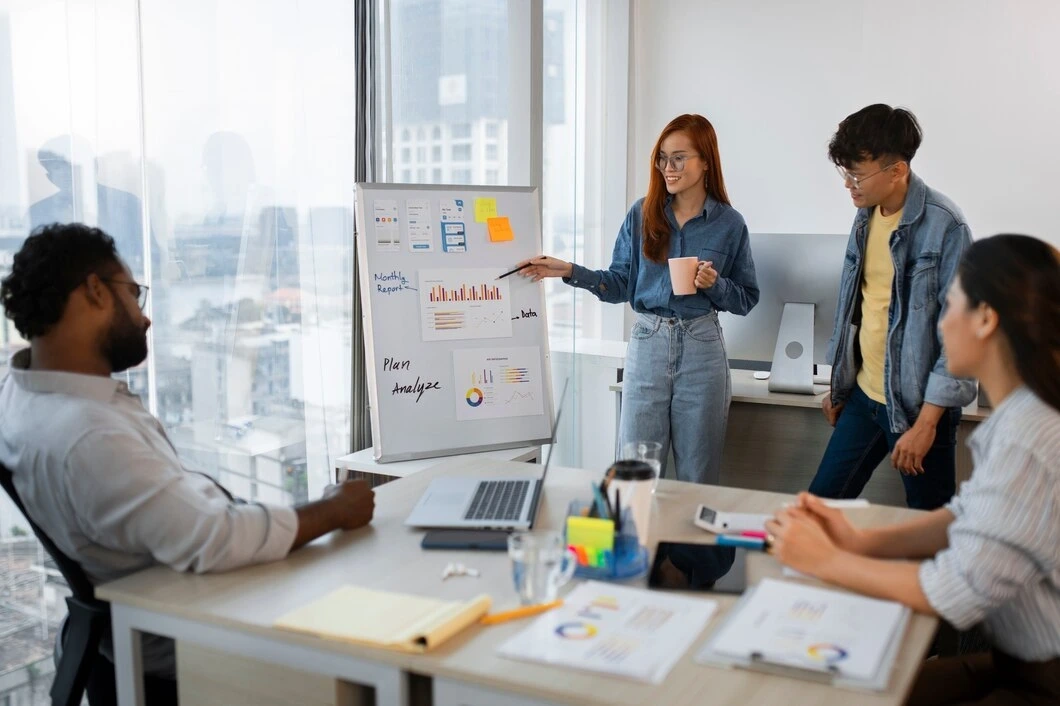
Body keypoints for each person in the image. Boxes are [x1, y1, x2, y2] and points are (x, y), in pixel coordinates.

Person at [0, 223, 376, 704]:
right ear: (94, 291)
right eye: (134, 294)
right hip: (192, 641)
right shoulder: (88, 435)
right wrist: (334, 509)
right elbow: (214, 539)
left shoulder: (23, 389)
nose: (145, 316)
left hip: (157, 617)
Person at [768, 234, 1060, 705]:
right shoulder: (1022, 416)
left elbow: (951, 590)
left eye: (951, 306)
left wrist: (824, 560)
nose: (942, 325)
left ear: (986, 318)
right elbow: (966, 516)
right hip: (1019, 663)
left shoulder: (1030, 437)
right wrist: (860, 541)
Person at [518, 114, 758, 485]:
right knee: (635, 473)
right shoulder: (642, 213)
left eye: (679, 157)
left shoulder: (730, 223)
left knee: (698, 475)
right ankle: (638, 545)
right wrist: (569, 270)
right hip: (648, 343)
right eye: (663, 158)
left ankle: (688, 546)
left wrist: (714, 284)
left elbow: (746, 299)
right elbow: (619, 285)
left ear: (706, 160)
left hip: (702, 347)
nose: (668, 167)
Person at [809, 104, 976, 510]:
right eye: (844, 173)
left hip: (920, 410)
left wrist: (927, 424)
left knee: (928, 529)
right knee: (817, 510)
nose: (848, 184)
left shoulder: (946, 227)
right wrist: (838, 385)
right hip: (864, 399)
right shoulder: (865, 217)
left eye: (856, 174)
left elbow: (959, 339)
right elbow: (855, 306)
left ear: (897, 170)